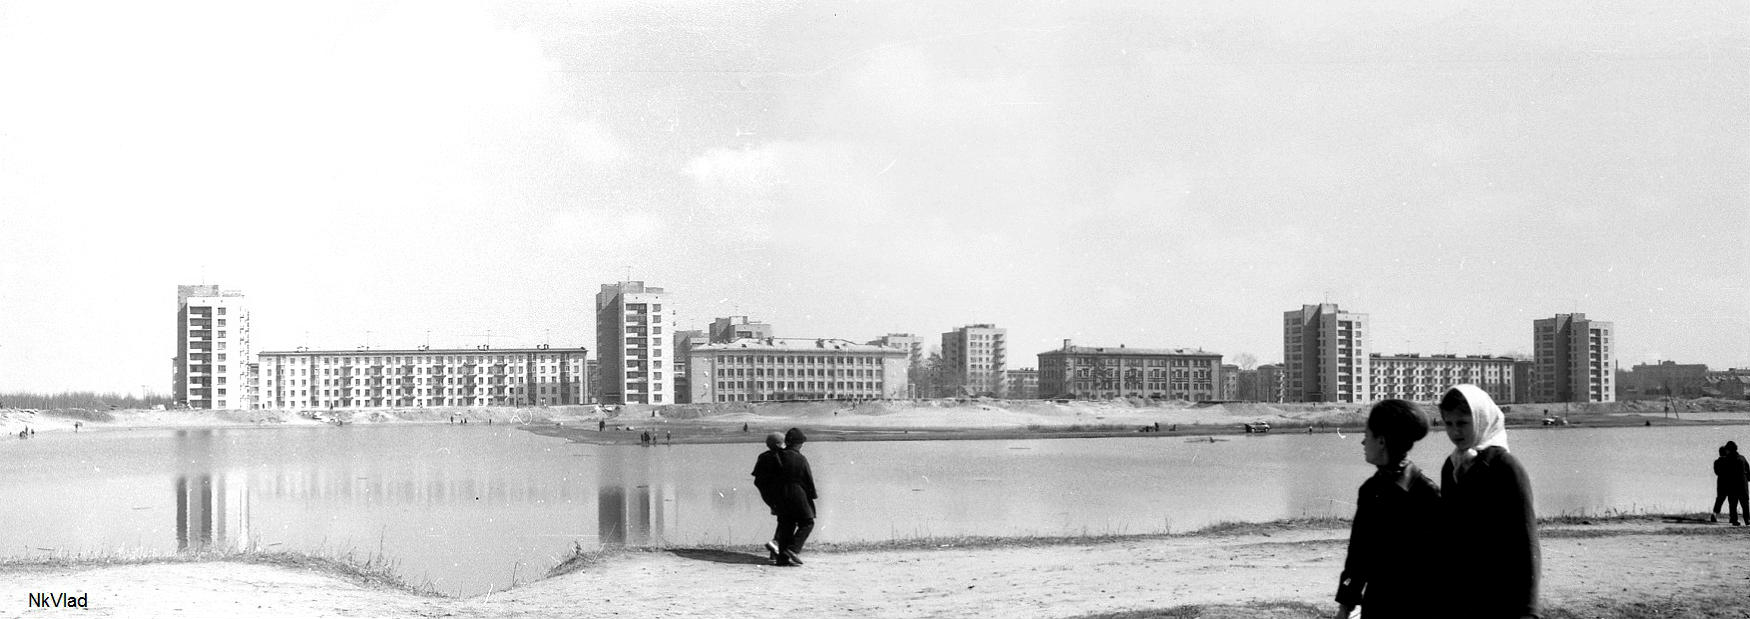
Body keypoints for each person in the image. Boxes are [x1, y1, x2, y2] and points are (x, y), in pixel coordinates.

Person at [1438, 384, 1540, 619]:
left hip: (1501, 592)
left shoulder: (1506, 467)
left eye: (1462, 423)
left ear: (1482, 419)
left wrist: (1529, 609)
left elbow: (1527, 543)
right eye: (1448, 424)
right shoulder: (1451, 466)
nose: (1455, 432)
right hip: (1461, 593)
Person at [1334, 399, 1441, 619]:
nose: (1363, 442)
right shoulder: (1370, 490)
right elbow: (1357, 557)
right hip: (1377, 605)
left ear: (1381, 441)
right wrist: (1346, 604)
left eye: (1367, 434)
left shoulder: (1426, 493)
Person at [771, 427, 818, 566]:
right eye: (801, 443)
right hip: (797, 493)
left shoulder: (776, 456)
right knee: (807, 522)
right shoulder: (800, 458)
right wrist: (812, 495)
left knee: (786, 524)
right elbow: (808, 479)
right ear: (798, 444)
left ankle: (782, 559)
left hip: (780, 495)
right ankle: (793, 549)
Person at [750, 432, 788, 564]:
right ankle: (776, 547)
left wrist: (769, 499)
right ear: (779, 444)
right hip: (784, 495)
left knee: (783, 521)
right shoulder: (784, 456)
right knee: (786, 522)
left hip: (770, 496)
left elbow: (758, 481)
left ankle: (775, 552)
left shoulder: (763, 457)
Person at [1712, 441, 1750, 525]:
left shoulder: (1725, 460)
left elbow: (1722, 472)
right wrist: (1748, 478)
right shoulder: (1742, 458)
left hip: (1732, 485)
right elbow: (1748, 470)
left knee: (1733, 503)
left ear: (1729, 450)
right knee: (1745, 503)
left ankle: (1734, 519)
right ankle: (1747, 520)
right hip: (1743, 485)